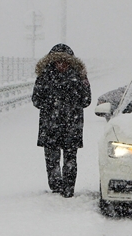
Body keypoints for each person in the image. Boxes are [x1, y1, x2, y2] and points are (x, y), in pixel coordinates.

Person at [32, 44, 91, 198]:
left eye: (64, 61)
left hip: (69, 124)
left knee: (70, 158)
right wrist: (54, 105)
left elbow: (86, 100)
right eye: (57, 61)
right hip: (54, 124)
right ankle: (56, 186)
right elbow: (36, 100)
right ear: (51, 62)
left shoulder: (79, 77)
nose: (61, 64)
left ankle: (68, 188)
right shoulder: (44, 76)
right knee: (52, 159)